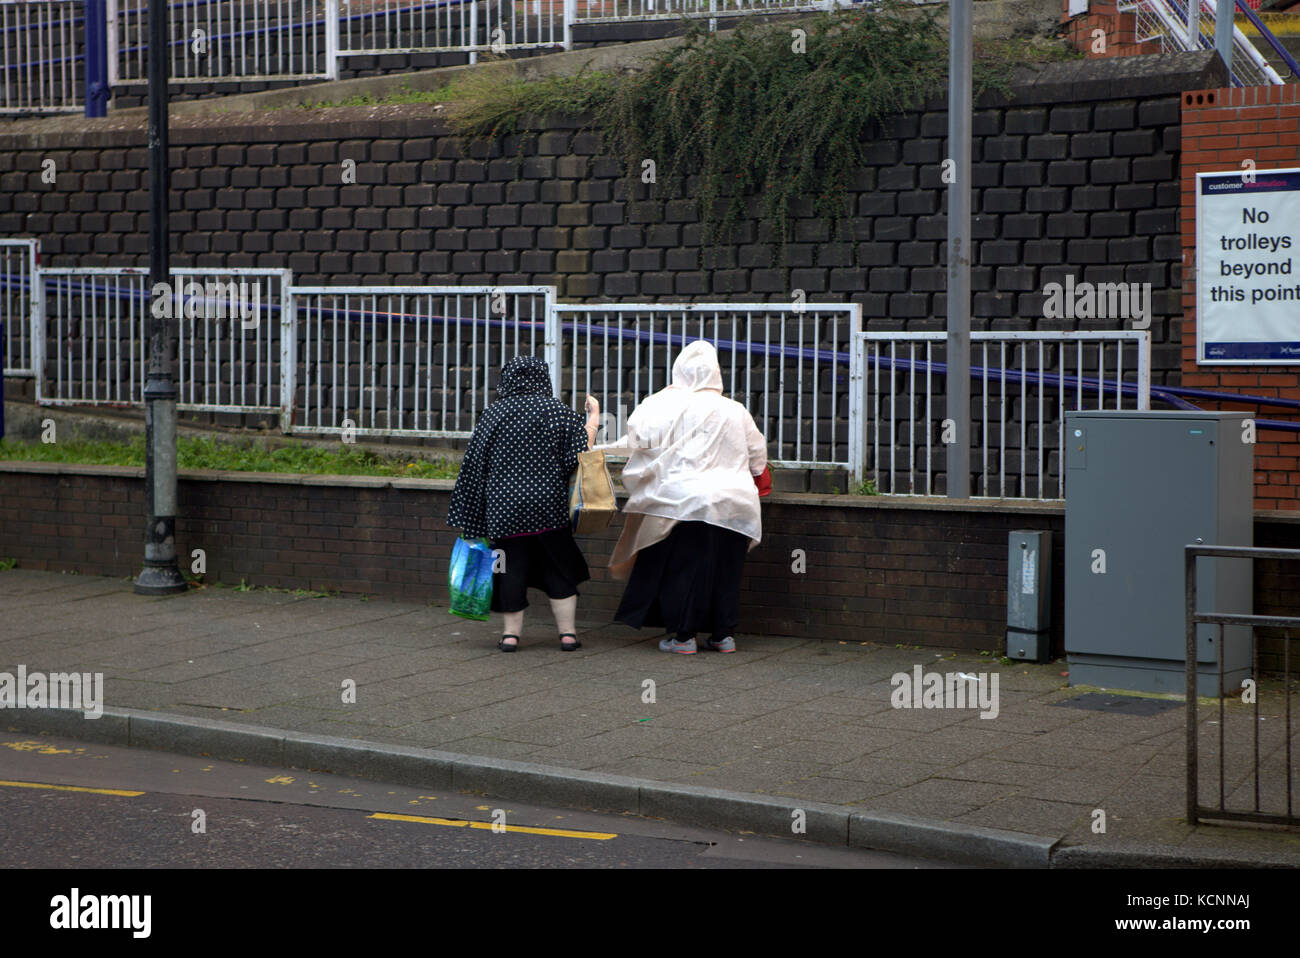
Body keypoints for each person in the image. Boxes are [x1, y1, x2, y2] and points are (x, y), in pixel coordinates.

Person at [597, 340, 768, 654]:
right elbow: (758, 456)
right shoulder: (734, 409)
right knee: (726, 569)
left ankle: (683, 637)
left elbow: (639, 437)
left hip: (683, 503)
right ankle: (723, 635)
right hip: (734, 503)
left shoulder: (664, 404)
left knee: (684, 570)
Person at [447, 355, 600, 652]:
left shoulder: (493, 414)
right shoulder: (558, 411)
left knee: (509, 569)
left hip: (504, 512)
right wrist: (592, 419)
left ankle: (510, 636)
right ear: (543, 378)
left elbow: (474, 464)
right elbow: (580, 457)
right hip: (549, 509)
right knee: (559, 570)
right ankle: (567, 635)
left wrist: (472, 514)